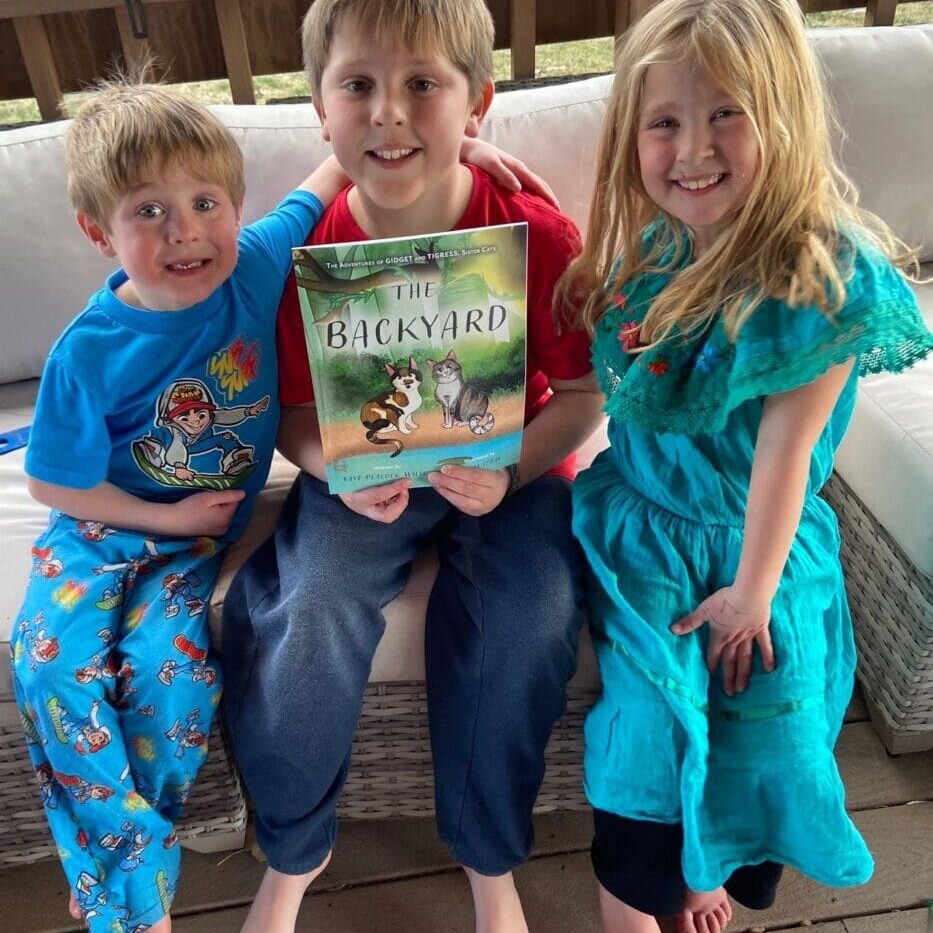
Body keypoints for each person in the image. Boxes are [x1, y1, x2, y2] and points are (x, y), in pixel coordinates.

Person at [220, 1, 605, 931]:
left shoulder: (535, 233)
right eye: (358, 85)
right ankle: (293, 853)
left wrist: (511, 469)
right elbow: (296, 415)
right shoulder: (303, 252)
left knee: (532, 611)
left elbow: (587, 397)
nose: (387, 113)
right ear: (318, 106)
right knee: (304, 610)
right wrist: (334, 467)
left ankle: (488, 861)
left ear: (477, 102)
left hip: (510, 467)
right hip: (362, 478)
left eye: (421, 84)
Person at [557, 1, 933, 932]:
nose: (693, 147)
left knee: (770, 718)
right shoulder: (656, 245)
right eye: (664, 121)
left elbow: (784, 450)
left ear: (784, 113)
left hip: (756, 544)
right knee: (643, 737)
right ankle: (645, 892)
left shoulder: (820, 278)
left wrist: (751, 593)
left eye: (726, 112)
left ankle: (709, 866)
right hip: (644, 526)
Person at [6, 79, 343, 933]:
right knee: (49, 669)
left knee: (173, 682)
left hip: (189, 549)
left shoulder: (257, 266)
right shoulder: (88, 351)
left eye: (203, 203)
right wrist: (169, 518)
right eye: (148, 211)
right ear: (99, 232)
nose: (184, 229)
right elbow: (52, 483)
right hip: (98, 527)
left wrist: (473, 149)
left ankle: (132, 899)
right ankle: (136, 898)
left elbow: (335, 171)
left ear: (236, 208)